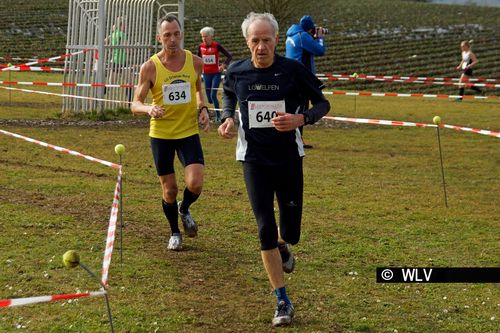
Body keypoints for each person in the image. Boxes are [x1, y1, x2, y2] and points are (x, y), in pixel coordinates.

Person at [218, 12, 330, 327]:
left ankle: (284, 245)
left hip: (289, 160)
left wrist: (301, 119)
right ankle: (282, 299)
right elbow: (227, 94)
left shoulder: (293, 71)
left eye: (267, 40)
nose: (261, 46)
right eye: (255, 40)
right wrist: (227, 118)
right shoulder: (237, 71)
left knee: (289, 231)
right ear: (247, 41)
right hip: (253, 160)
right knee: (264, 227)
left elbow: (322, 104)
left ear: (276, 40)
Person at [131, 15, 210, 251]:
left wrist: (203, 108)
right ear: (159, 38)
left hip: (188, 132)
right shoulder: (150, 67)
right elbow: (134, 103)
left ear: (181, 35)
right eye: (167, 35)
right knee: (169, 190)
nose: (173, 39)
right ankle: (175, 232)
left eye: (176, 34)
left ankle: (184, 208)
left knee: (195, 183)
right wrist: (148, 108)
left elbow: (198, 88)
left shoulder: (195, 62)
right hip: (161, 135)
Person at [285, 15, 327, 149]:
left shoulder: (292, 35)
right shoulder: (303, 36)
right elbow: (320, 50)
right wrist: (319, 37)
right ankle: (295, 141)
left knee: (297, 108)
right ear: (310, 29)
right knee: (302, 109)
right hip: (301, 78)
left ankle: (297, 140)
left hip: (292, 76)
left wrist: (312, 37)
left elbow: (305, 50)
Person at [197, 27, 233, 123]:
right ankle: (214, 111)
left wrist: (223, 65)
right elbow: (197, 58)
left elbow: (229, 56)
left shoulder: (216, 45)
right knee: (209, 99)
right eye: (202, 37)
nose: (204, 38)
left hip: (216, 74)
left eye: (206, 36)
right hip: (206, 75)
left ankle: (218, 117)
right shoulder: (200, 46)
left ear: (211, 36)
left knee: (213, 95)